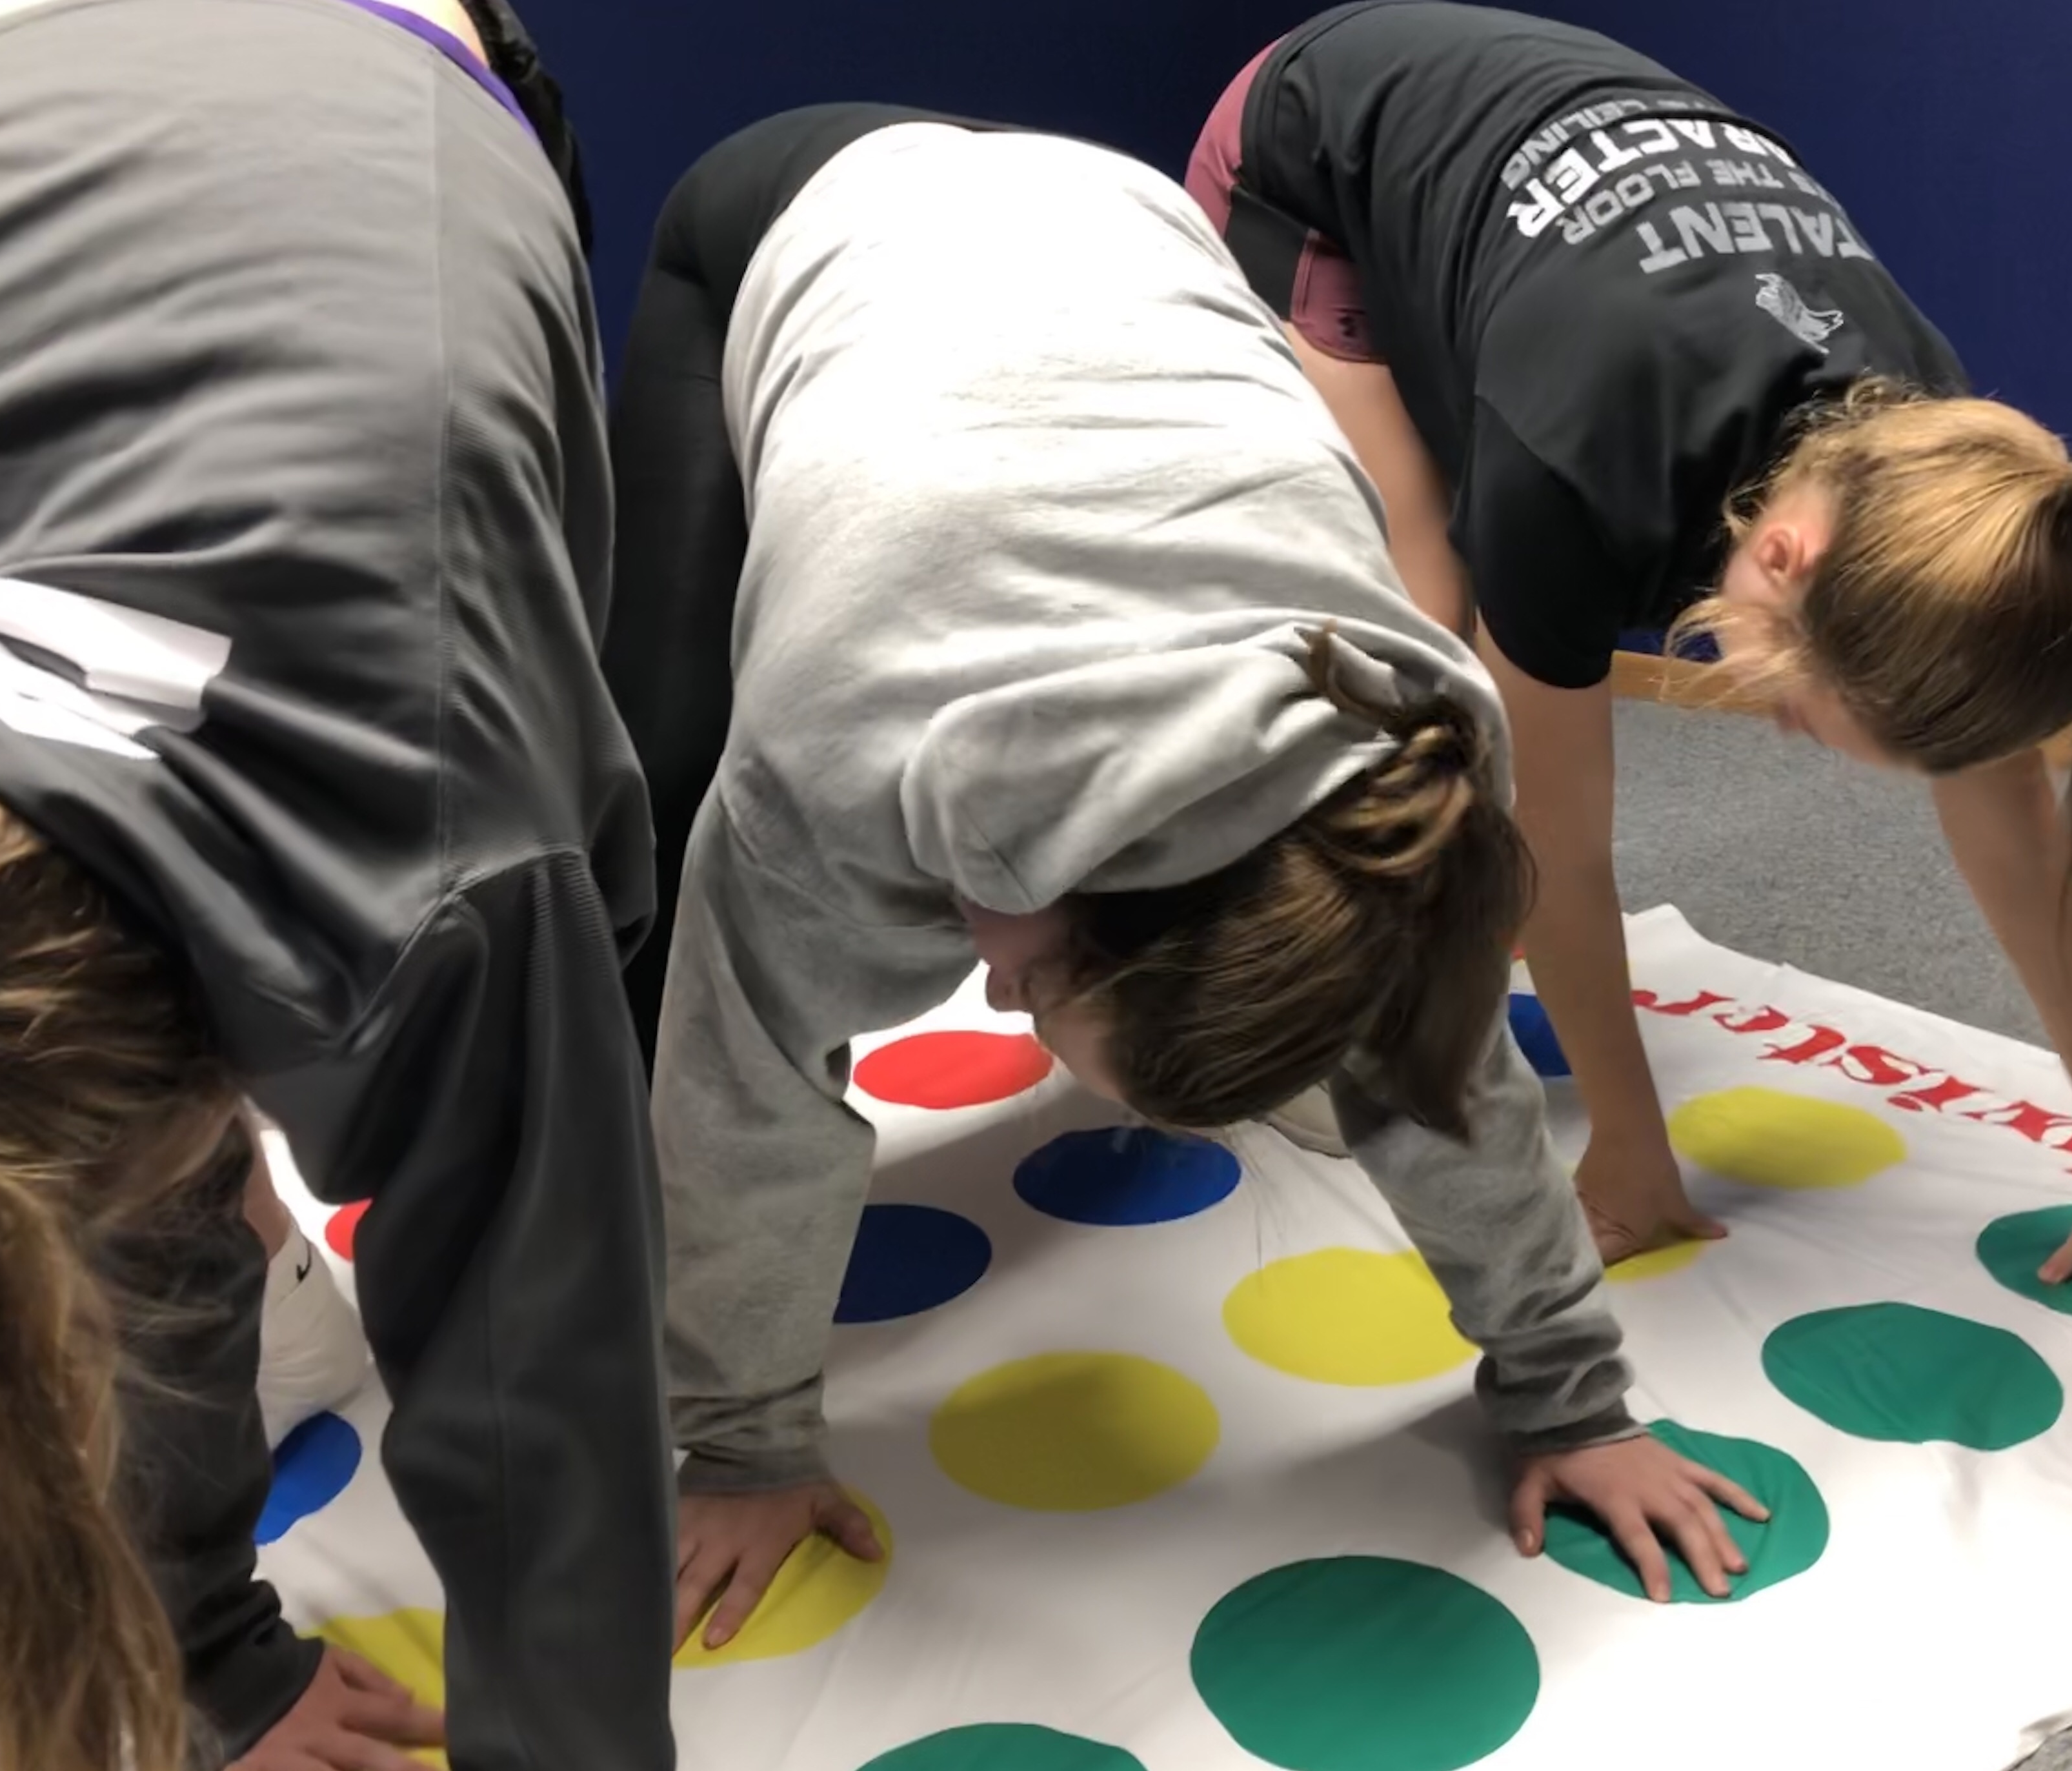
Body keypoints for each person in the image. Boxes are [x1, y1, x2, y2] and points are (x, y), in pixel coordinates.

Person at [603, 103, 1775, 1656]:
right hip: (797, 208)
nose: (992, 994)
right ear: (1064, 882)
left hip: (1114, 231)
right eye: (1038, 984)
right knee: (648, 825)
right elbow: (751, 1105)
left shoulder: (1395, 783)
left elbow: (1446, 1082)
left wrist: (1573, 1398)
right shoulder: (841, 752)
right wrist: (745, 1445)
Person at [1187, 2, 2072, 1278]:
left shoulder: (1950, 484)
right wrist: (1627, 1148)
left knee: (1478, 616)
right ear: (1782, 561)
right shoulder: (1574, 466)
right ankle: (1325, 1000)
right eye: (1793, 706)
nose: (1776, 728)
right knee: (1418, 623)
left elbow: (2005, 808)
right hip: (1309, 147)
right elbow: (1556, 847)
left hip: (1550, 194)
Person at [0, 2, 676, 1768]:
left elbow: (549, 1431)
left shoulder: (458, 861)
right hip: (6, 114)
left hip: (385, 67)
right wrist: (209, 1671)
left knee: (501, 1122)